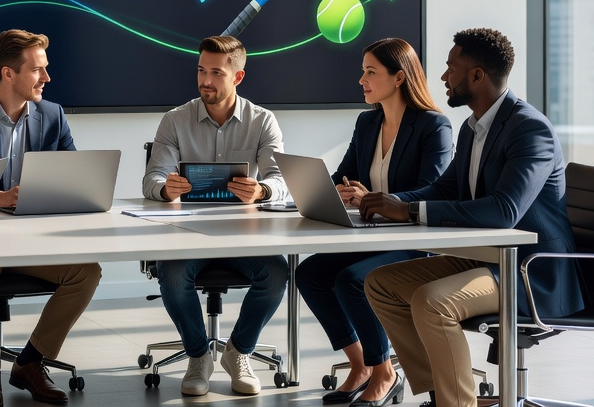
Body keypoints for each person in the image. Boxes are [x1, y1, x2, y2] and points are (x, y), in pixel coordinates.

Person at [359, 29, 583, 407]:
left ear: (476, 76)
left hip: (531, 272)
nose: (444, 76)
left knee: (432, 302)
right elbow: (445, 190)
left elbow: (503, 211)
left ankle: (455, 403)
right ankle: (443, 394)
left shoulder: (529, 129)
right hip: (488, 257)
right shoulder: (472, 127)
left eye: (451, 67)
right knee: (381, 283)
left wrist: (409, 211)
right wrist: (390, 201)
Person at [0, 29, 102, 407]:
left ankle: (30, 361)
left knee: (86, 272)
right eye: (38, 70)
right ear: (9, 73)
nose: (47, 78)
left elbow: (73, 174)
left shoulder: (52, 115)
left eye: (46, 69)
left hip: (30, 242)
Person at [296, 38, 452, 407]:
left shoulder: (434, 126)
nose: (361, 80)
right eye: (362, 71)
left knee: (352, 280)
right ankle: (361, 365)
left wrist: (378, 201)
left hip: (414, 240)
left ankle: (385, 372)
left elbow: (434, 190)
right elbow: (343, 174)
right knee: (310, 274)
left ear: (399, 78)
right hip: (372, 235)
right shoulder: (368, 123)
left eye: (370, 72)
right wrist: (340, 190)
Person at [141, 35, 289, 396]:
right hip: (188, 233)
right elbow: (152, 178)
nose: (205, 80)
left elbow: (281, 179)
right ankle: (198, 354)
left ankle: (238, 350)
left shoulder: (263, 121)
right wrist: (165, 189)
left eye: (216, 73)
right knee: (172, 274)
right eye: (201, 70)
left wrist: (262, 190)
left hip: (243, 235)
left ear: (237, 77)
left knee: (276, 272)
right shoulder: (175, 120)